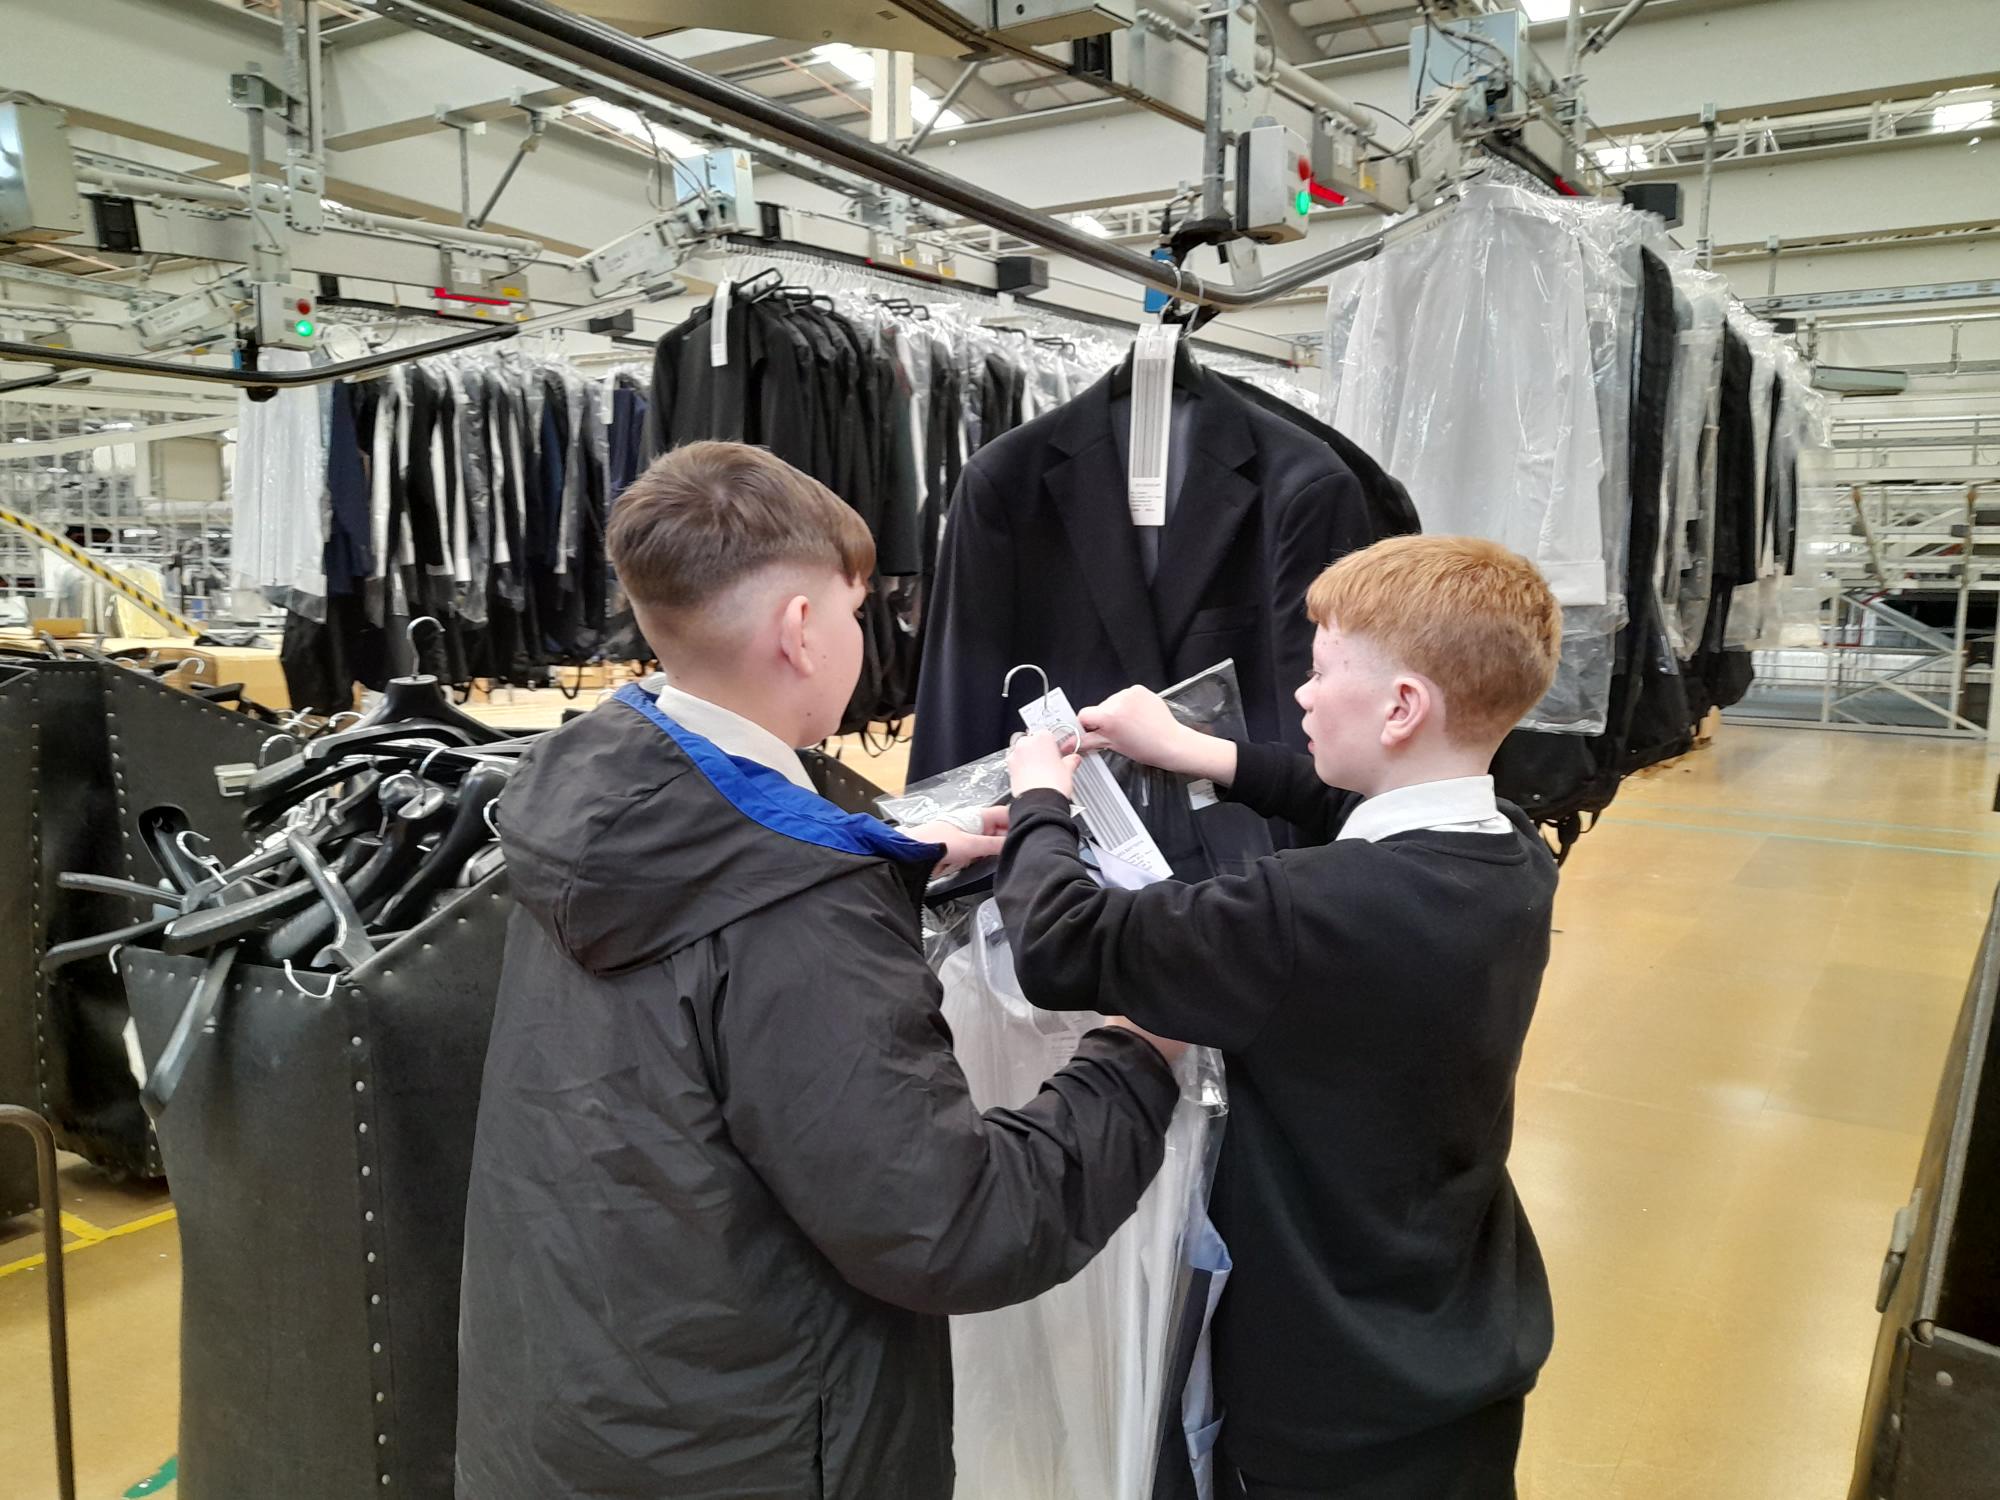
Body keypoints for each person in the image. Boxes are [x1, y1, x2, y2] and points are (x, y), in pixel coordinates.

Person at [456, 440, 1183, 1500]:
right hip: (760, 1445)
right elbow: (951, 1226)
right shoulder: (797, 905)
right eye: (855, 614)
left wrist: (899, 860)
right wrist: (1134, 1054)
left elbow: (706, 990)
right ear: (800, 631)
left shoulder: (592, 799)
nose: (862, 640)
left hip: (594, 1406)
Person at [999, 534, 1565, 1500]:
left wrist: (1040, 805)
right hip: (1450, 1326)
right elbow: (1339, 800)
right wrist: (1200, 752)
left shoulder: (1303, 912)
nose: (1301, 694)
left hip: (1325, 1387)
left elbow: (1061, 942)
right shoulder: (1510, 851)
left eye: (1321, 671)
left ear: (1401, 707)